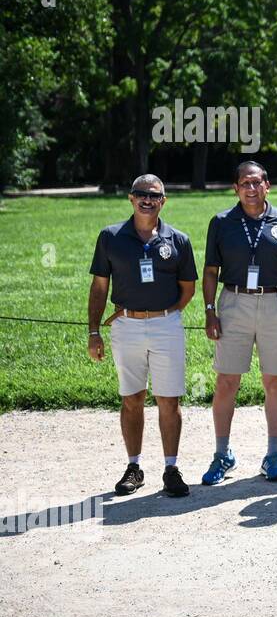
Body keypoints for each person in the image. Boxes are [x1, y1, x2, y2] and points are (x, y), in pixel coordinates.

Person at [201, 161, 277, 485]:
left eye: (257, 182)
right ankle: (223, 454)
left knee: (275, 381)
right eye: (244, 183)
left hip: (276, 301)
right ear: (235, 188)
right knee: (226, 382)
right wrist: (210, 311)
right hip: (234, 302)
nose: (251, 189)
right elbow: (210, 272)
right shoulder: (221, 222)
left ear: (268, 185)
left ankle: (273, 455)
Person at [87, 174, 197, 498]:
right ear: (131, 199)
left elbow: (187, 289)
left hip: (167, 325)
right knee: (132, 398)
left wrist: (161, 312)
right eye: (140, 194)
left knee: (169, 399)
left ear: (164, 200)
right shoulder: (110, 237)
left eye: (154, 195)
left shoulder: (179, 240)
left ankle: (171, 468)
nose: (147, 200)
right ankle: (133, 467)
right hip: (126, 327)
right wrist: (94, 332)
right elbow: (99, 288)